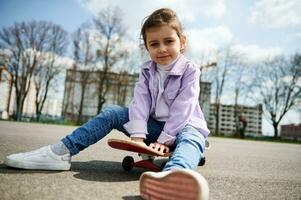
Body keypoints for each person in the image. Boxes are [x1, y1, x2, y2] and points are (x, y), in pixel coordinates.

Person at [5, 8, 210, 200]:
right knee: (113, 112)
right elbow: (140, 102)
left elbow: (183, 107)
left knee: (192, 136)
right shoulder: (147, 70)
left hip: (183, 128)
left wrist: (165, 140)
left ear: (182, 41)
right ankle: (59, 152)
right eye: (154, 44)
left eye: (168, 41)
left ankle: (174, 176)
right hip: (154, 129)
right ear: (146, 47)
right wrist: (138, 137)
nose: (162, 49)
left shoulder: (190, 70)